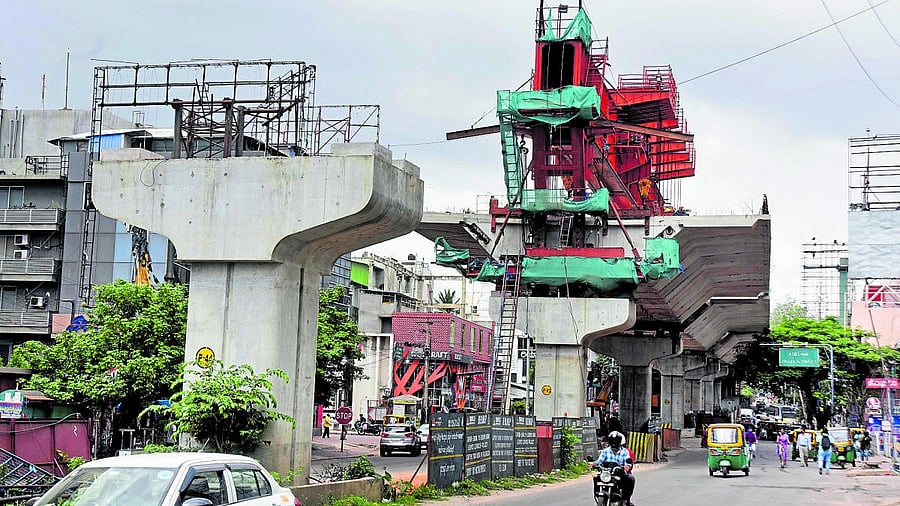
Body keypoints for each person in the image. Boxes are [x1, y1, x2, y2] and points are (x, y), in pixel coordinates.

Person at [594, 431, 635, 506]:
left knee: (630, 479)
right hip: (607, 473)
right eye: (612, 441)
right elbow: (599, 461)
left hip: (619, 473)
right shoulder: (605, 451)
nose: (614, 443)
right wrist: (593, 464)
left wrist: (627, 466)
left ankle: (625, 499)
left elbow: (628, 462)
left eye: (616, 441)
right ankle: (597, 494)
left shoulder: (624, 452)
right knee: (596, 477)